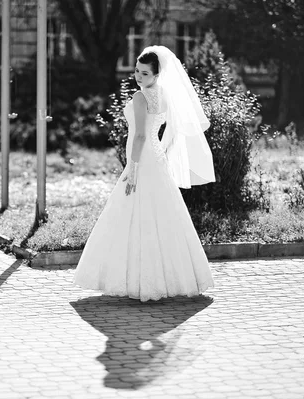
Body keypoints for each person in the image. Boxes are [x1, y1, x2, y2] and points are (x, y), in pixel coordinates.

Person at [73, 45, 216, 302]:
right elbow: (169, 132)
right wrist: (160, 154)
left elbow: (139, 135)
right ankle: (174, 277)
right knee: (163, 215)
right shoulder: (163, 95)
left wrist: (134, 167)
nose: (138, 77)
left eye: (145, 73)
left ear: (156, 74)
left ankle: (135, 280)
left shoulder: (141, 97)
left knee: (134, 213)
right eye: (137, 71)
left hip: (142, 159)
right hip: (156, 157)